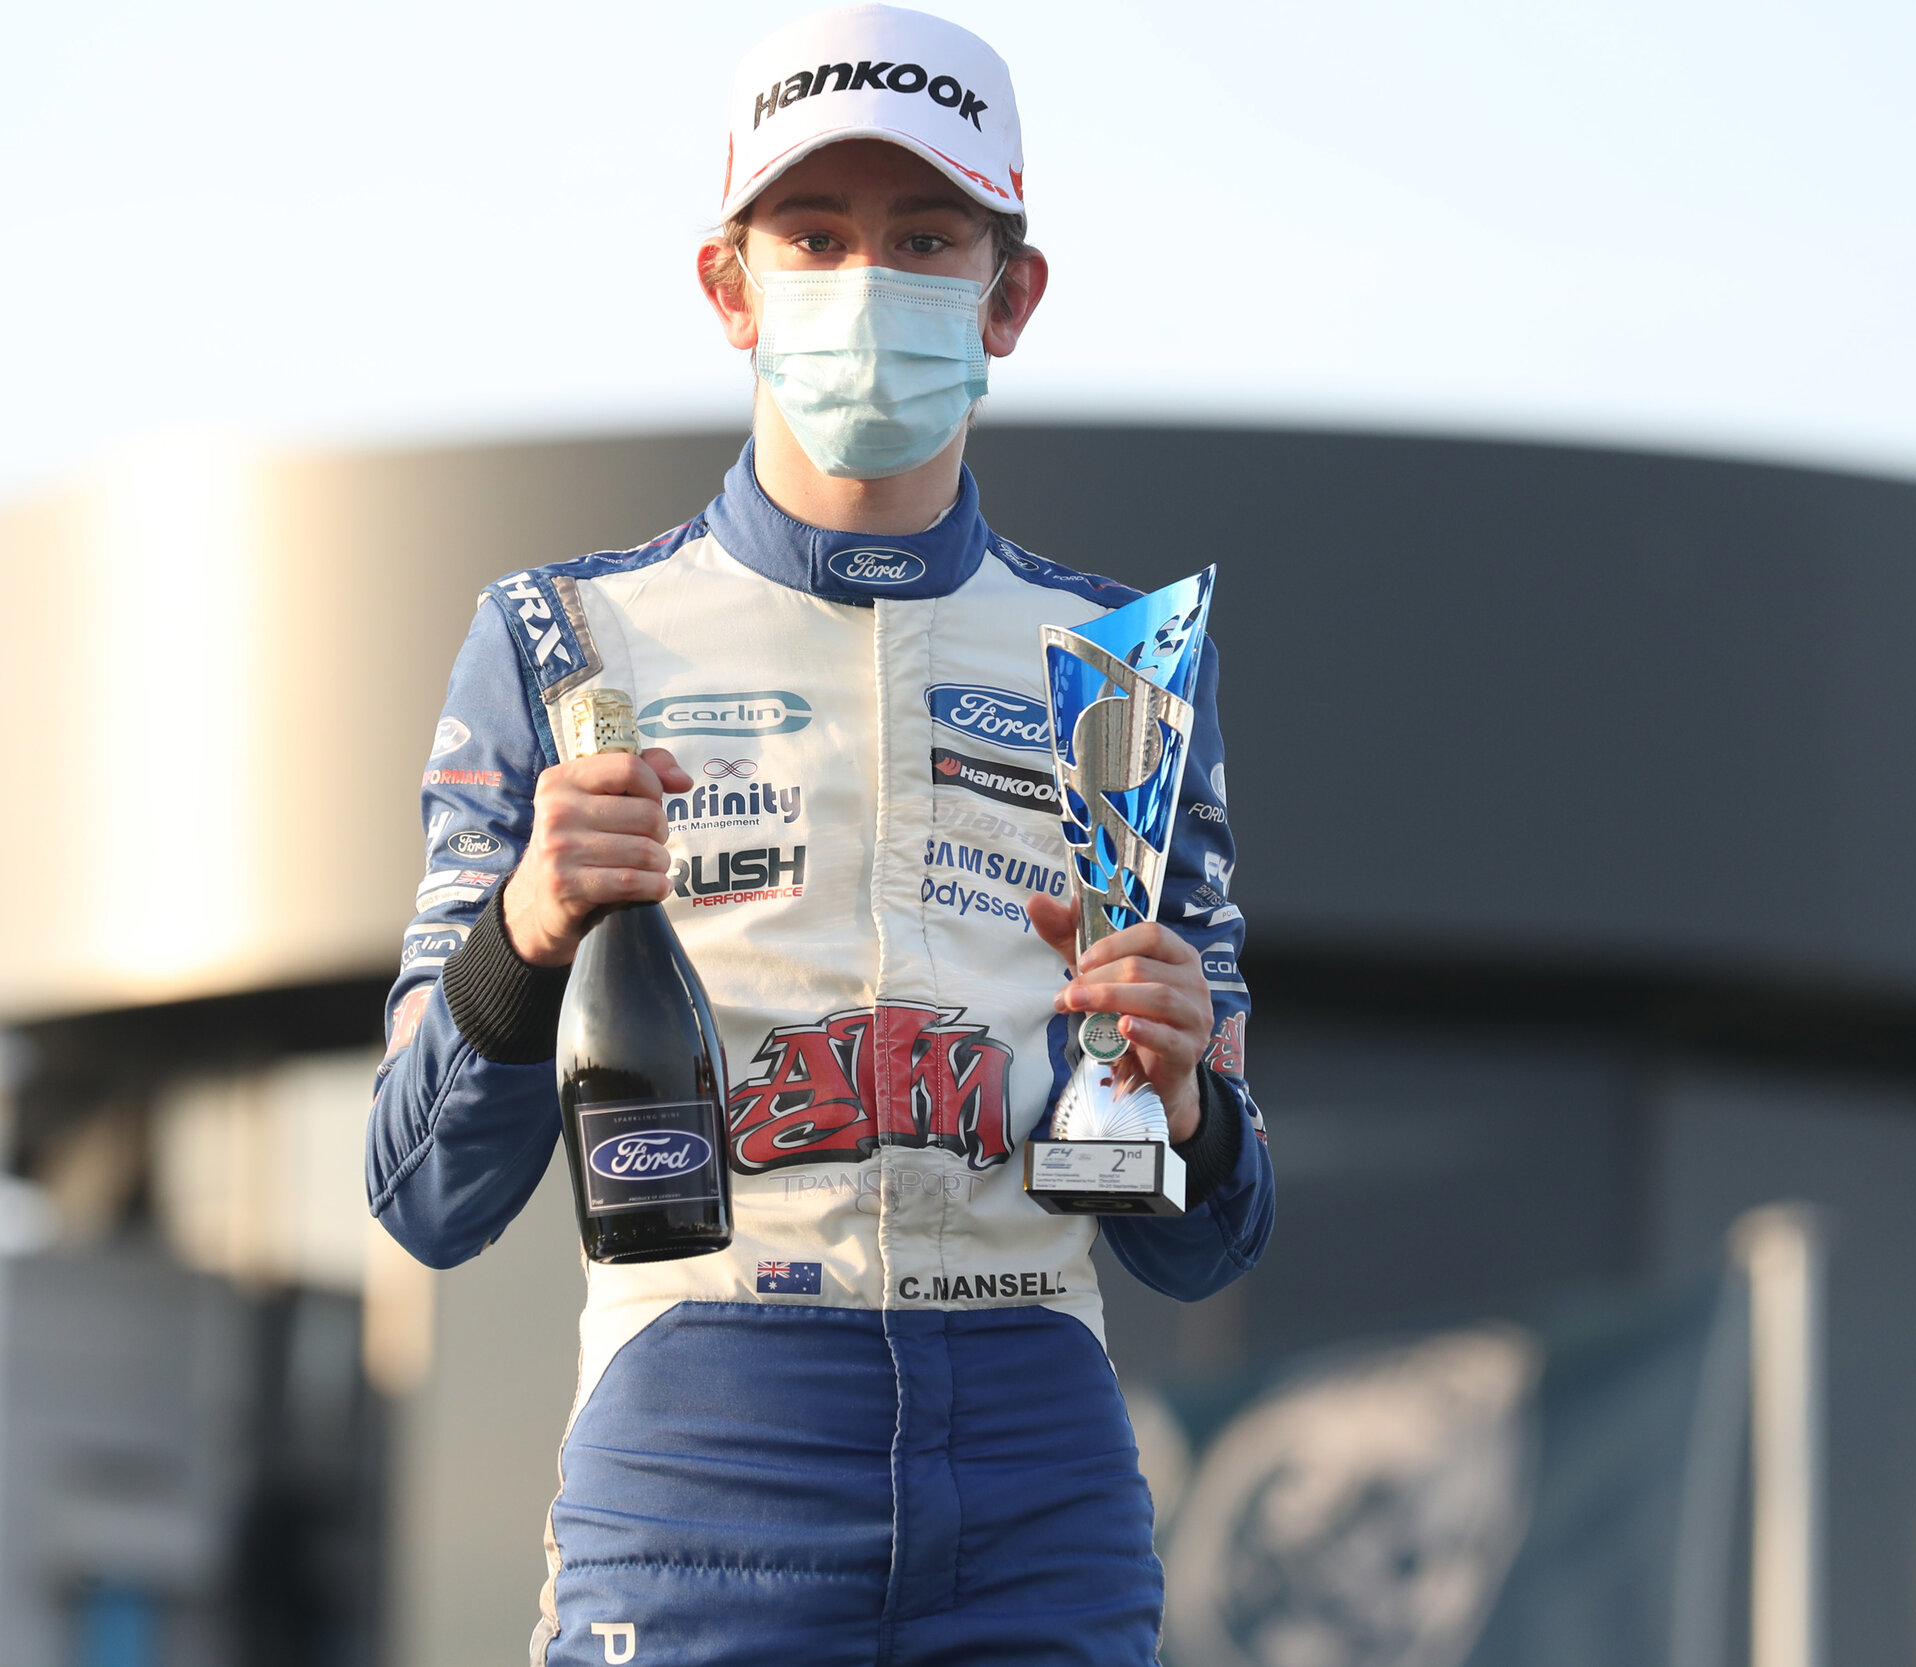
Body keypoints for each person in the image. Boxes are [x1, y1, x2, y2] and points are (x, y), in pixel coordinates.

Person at [367, 7, 1274, 1662]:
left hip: (1037, 1453)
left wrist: (1191, 1104)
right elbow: (425, 1193)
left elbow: (1212, 1245)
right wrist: (524, 935)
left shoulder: (1125, 666)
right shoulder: (563, 642)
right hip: (706, 1433)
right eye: (814, 235)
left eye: (924, 239)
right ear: (730, 287)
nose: (867, 282)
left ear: (1011, 296)